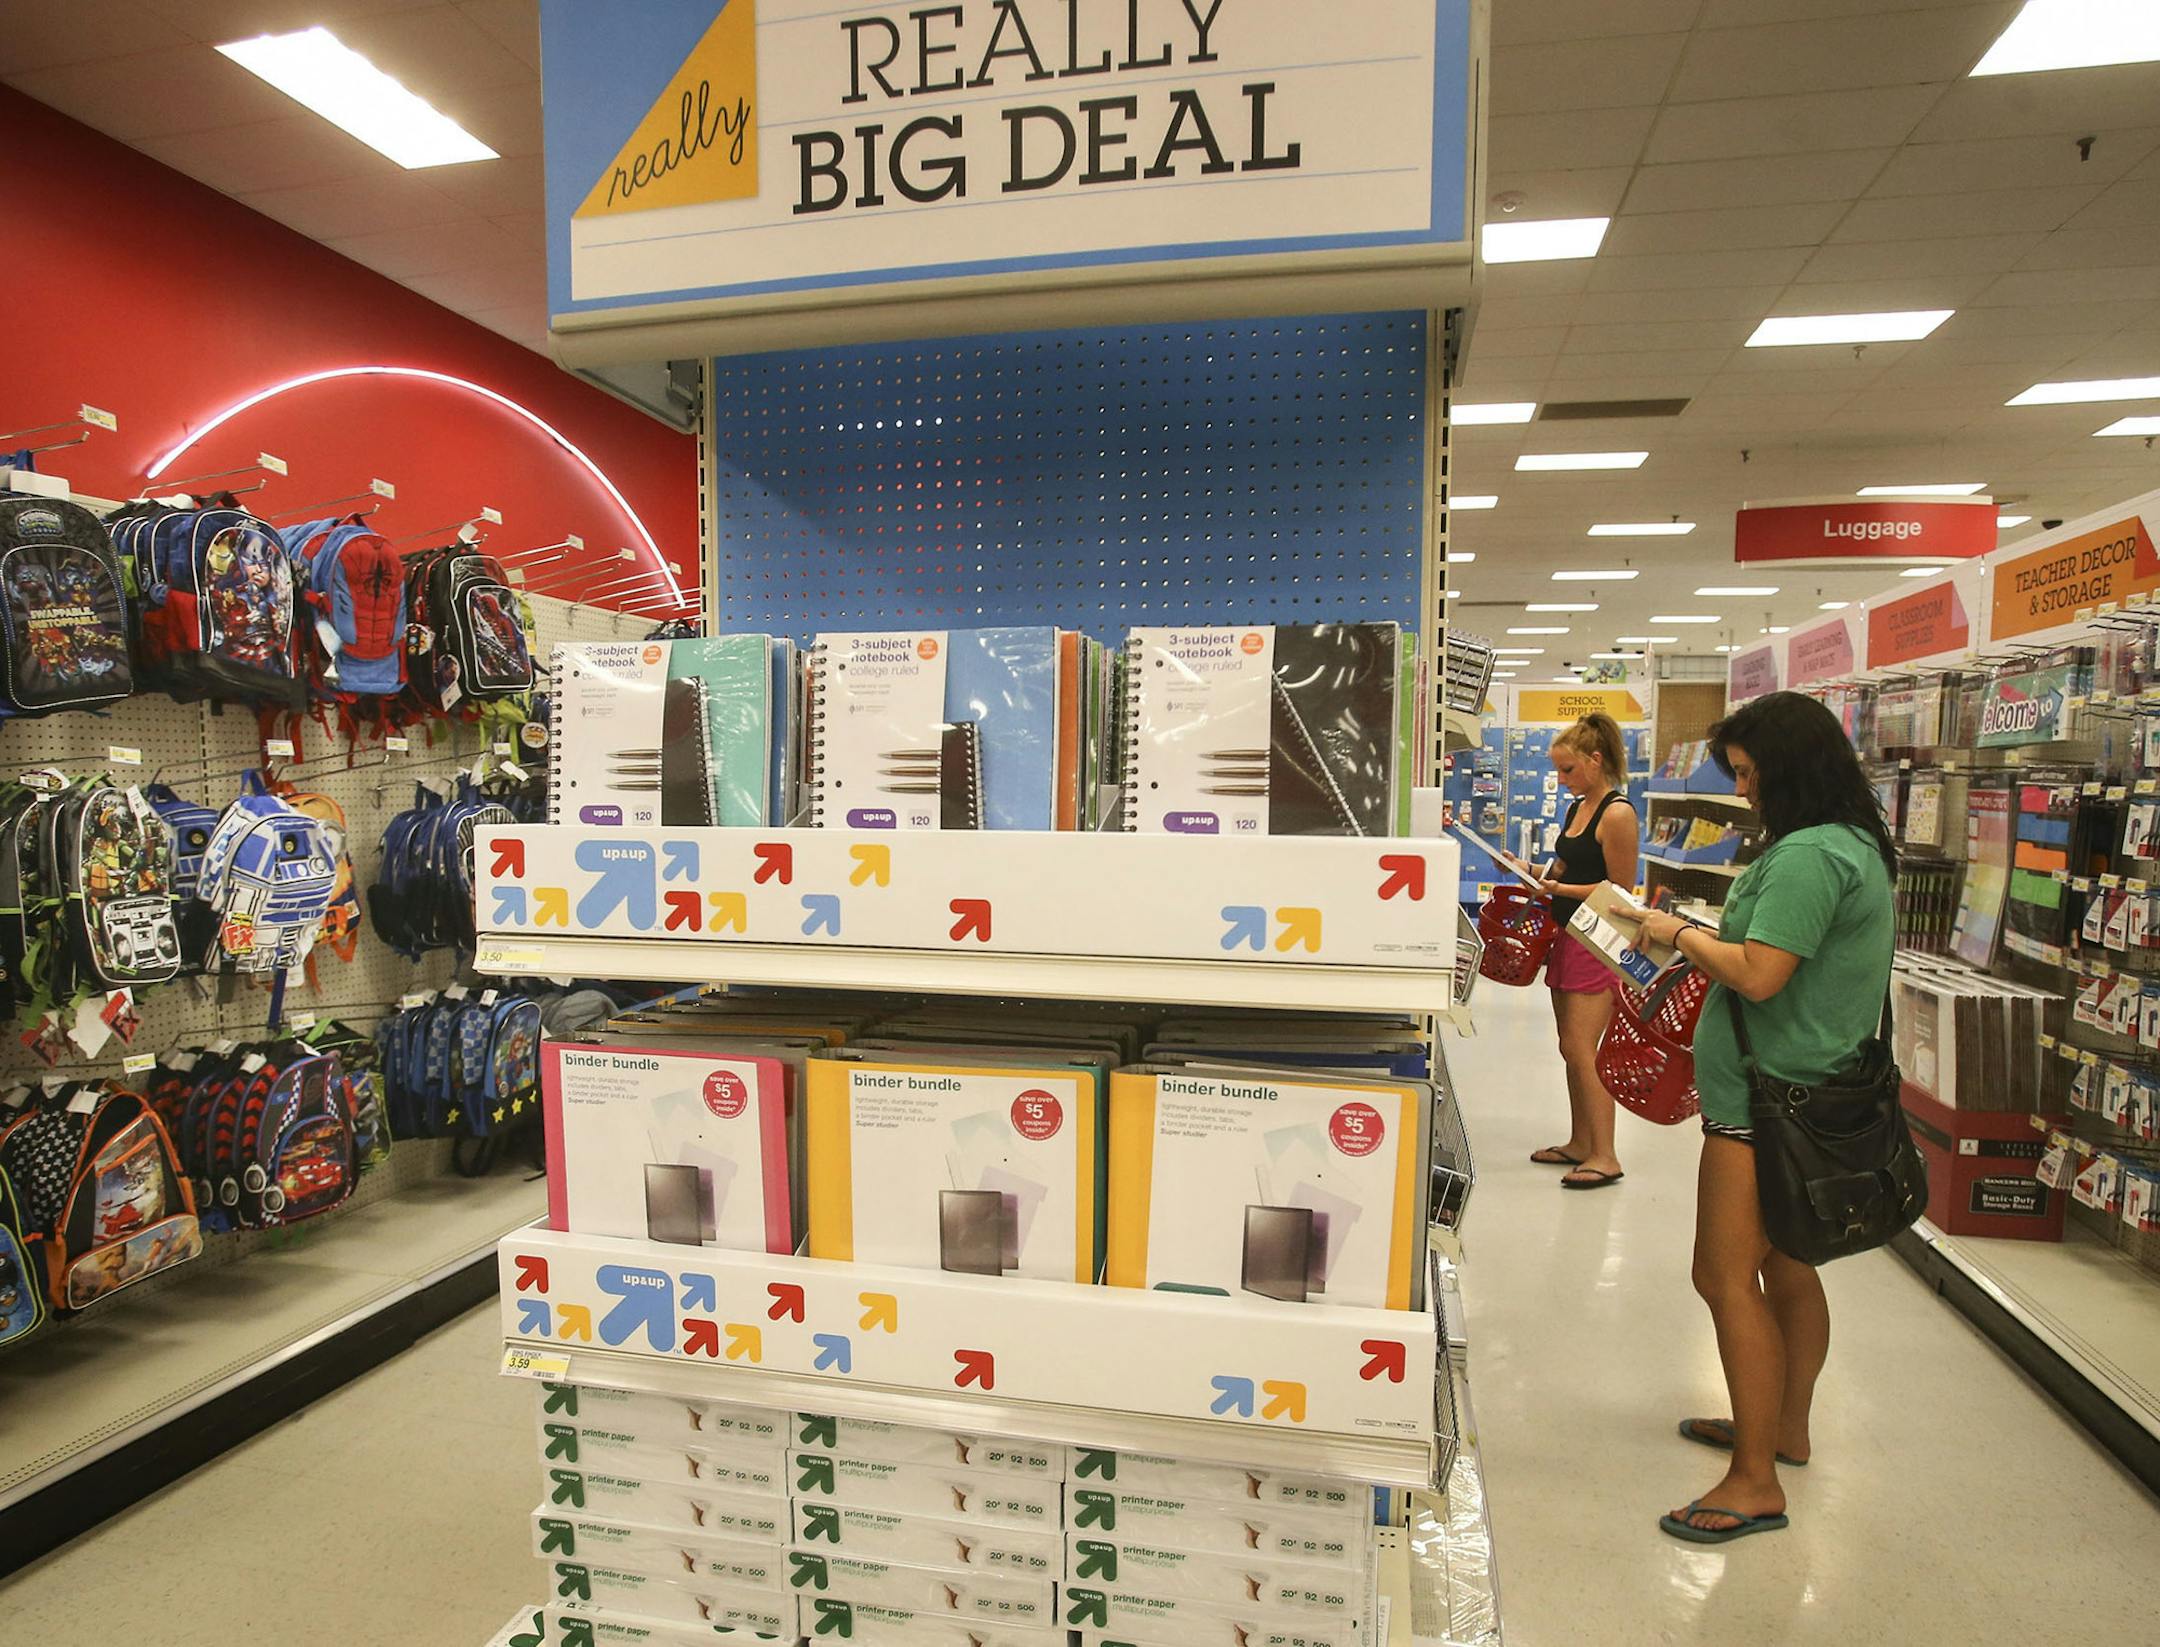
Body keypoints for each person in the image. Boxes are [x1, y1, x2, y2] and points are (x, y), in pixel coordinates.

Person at [1630, 691, 1897, 1546]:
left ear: (1789, 767)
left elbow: (1759, 973)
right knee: (1787, 1265)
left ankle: (1754, 1480)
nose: (1744, 790)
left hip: (1766, 1103)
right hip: (1809, 1092)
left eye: (1749, 773)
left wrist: (1675, 933)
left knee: (1722, 1277)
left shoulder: (1811, 855)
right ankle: (1784, 1428)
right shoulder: (1853, 843)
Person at [1526, 713, 1638, 1190]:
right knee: (1569, 1046)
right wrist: (1531, 872)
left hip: (1599, 940)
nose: (1562, 778)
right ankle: (1580, 1141)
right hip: (1568, 935)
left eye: (1568, 769)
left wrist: (1560, 889)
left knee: (1582, 1047)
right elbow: (1565, 865)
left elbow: (1621, 890)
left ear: (1596, 760)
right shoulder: (1578, 809)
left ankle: (1606, 1154)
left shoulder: (1617, 814)